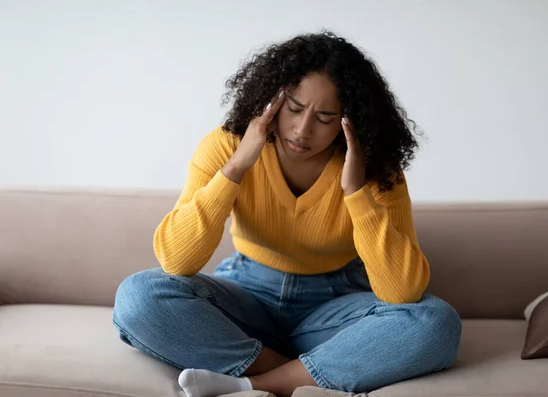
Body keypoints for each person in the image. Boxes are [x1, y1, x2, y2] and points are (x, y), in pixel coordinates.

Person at [112, 31, 461, 397]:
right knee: (139, 296)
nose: (302, 129)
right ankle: (301, 371)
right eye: (294, 108)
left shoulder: (374, 169)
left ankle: (258, 385)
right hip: (247, 296)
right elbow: (177, 260)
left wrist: (356, 192)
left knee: (436, 322)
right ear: (271, 101)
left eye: (325, 118)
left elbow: (401, 290)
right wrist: (236, 167)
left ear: (350, 122)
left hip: (333, 306)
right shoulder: (227, 145)